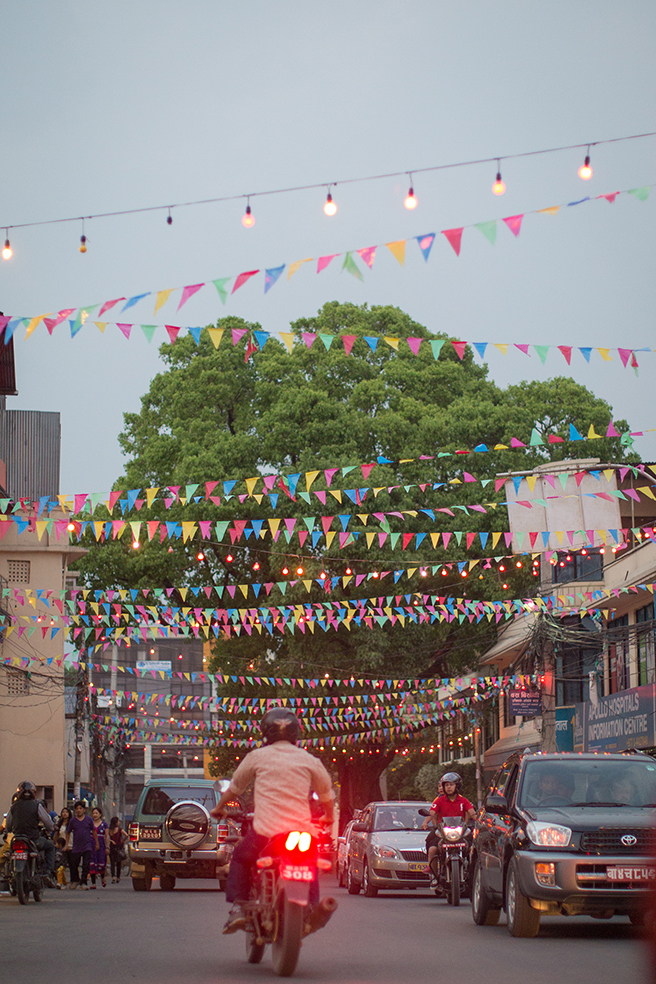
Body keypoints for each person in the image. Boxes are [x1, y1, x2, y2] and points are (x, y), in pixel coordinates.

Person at [210, 706, 335, 934]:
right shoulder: (309, 759)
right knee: (310, 862)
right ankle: (313, 907)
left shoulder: (257, 756)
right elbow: (327, 795)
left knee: (241, 856)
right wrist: (329, 816)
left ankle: (239, 908)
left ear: (265, 733)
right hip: (302, 833)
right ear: (296, 733)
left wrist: (219, 808)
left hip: (266, 831)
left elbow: (235, 789)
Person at [421, 773, 475, 889]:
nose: (448, 787)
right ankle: (434, 877)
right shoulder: (439, 801)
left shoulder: (463, 800)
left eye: (451, 785)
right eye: (446, 785)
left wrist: (481, 819)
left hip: (460, 832)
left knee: (473, 849)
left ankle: (473, 876)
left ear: (457, 786)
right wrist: (426, 821)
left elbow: (472, 813)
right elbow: (432, 813)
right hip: (442, 832)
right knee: (432, 849)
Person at [4, 781, 56, 882]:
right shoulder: (37, 805)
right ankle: (48, 872)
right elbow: (47, 822)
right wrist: (51, 828)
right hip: (33, 839)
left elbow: (8, 824)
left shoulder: (13, 807)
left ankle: (10, 873)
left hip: (17, 839)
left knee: (9, 853)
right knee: (50, 846)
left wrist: (8, 831)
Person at [64, 801, 99, 890]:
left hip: (87, 845)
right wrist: (66, 844)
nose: (79, 810)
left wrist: (97, 843)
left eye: (80, 808)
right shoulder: (72, 821)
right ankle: (75, 880)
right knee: (74, 865)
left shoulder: (89, 820)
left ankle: (84, 882)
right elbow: (68, 833)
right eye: (77, 809)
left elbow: (94, 832)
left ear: (84, 809)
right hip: (76, 846)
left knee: (86, 865)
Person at [89, 807, 109, 888]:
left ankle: (102, 878)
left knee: (101, 863)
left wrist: (107, 847)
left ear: (100, 814)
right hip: (91, 846)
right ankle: (93, 883)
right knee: (91, 864)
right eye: (93, 813)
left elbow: (107, 836)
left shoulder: (104, 825)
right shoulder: (90, 824)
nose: (95, 815)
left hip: (101, 847)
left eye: (96, 813)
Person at [108, 816, 128, 883]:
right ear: (115, 822)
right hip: (119, 846)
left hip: (112, 847)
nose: (119, 822)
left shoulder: (110, 830)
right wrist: (122, 841)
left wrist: (111, 841)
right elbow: (126, 835)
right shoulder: (120, 829)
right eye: (118, 821)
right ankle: (118, 877)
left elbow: (106, 838)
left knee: (112, 863)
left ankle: (113, 877)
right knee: (118, 862)